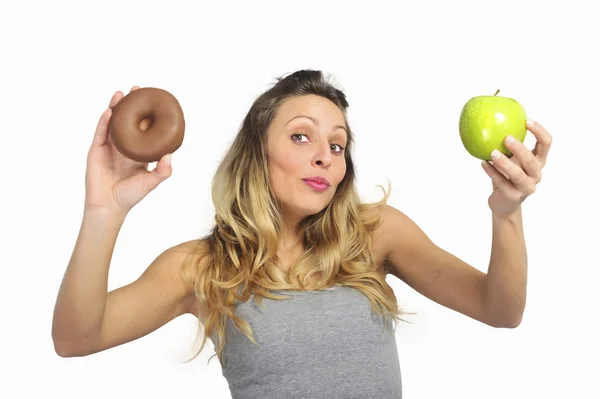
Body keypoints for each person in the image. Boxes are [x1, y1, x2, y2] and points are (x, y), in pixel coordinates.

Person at [52, 69, 552, 398]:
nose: (324, 156)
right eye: (300, 136)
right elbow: (76, 338)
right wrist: (104, 210)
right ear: (256, 153)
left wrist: (507, 210)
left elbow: (500, 310)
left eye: (337, 146)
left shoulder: (375, 234)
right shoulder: (204, 267)